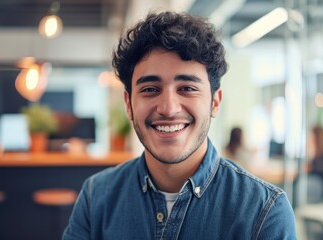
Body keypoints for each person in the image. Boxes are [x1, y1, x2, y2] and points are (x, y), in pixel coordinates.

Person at [62, 11, 296, 239]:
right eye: (150, 89)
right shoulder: (96, 197)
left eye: (187, 88)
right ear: (128, 103)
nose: (168, 108)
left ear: (214, 102)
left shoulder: (264, 211)